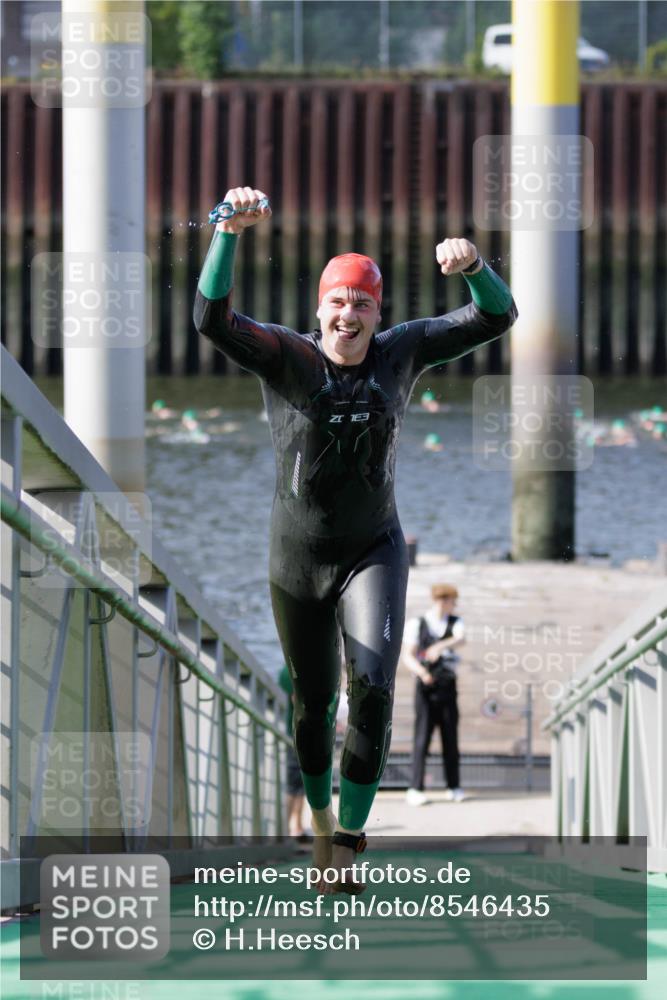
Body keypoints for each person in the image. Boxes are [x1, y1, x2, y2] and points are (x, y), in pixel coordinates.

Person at [193, 185, 517, 893]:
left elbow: (498, 316)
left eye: (363, 303)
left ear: (379, 312)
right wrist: (228, 231)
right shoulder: (287, 357)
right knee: (313, 706)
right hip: (296, 559)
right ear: (320, 310)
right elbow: (211, 319)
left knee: (370, 688)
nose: (349, 314)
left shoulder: (402, 353)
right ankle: (318, 820)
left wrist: (473, 268)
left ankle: (346, 841)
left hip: (373, 550)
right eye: (338, 301)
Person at [403, 584, 466, 805]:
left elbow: (461, 638)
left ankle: (454, 786)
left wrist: (438, 647)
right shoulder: (417, 624)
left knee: (450, 737)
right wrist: (422, 673)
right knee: (422, 738)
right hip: (425, 687)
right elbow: (408, 655)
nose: (453, 606)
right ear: (442, 600)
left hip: (447, 686)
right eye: (452, 601)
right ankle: (415, 788)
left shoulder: (455, 622)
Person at [278, 664, 311, 843]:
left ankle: (295, 826)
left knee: (298, 783)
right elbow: (298, 700)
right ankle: (290, 828)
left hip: (297, 732)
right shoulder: (293, 669)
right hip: (297, 733)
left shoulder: (287, 669)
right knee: (295, 784)